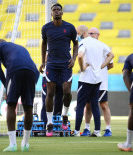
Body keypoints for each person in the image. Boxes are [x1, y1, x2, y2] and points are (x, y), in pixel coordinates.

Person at [0, 39, 39, 152]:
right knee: (28, 107)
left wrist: (6, 87)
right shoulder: (21, 48)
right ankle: (25, 143)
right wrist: (31, 85)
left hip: (15, 70)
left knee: (11, 105)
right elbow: (37, 72)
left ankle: (12, 144)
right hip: (32, 72)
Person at [39, 3, 78, 137]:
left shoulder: (70, 27)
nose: (56, 12)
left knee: (67, 92)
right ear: (51, 13)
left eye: (58, 10)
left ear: (62, 13)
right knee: (50, 93)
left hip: (66, 64)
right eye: (54, 10)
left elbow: (76, 43)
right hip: (51, 65)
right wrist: (43, 61)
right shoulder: (46, 28)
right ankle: (49, 123)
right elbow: (44, 43)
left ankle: (65, 115)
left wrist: (73, 58)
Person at [72, 25, 114, 137]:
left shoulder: (84, 43)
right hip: (97, 79)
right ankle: (97, 131)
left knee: (81, 105)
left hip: (86, 78)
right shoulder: (100, 44)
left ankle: (76, 131)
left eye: (78, 33)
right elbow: (111, 55)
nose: (77, 36)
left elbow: (80, 56)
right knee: (95, 105)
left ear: (83, 33)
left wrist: (82, 68)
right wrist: (101, 66)